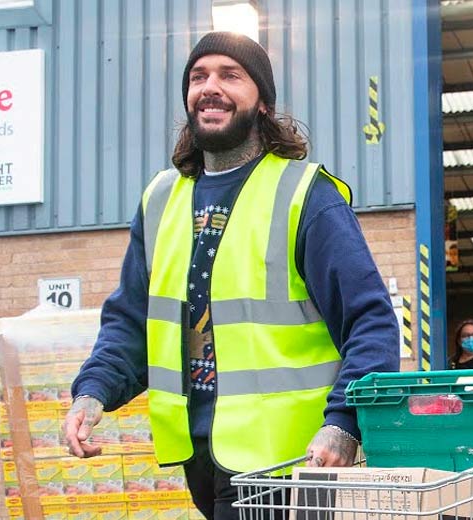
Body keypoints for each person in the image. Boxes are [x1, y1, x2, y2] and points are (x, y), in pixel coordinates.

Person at [61, 32, 400, 520]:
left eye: (230, 75)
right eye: (198, 77)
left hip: (290, 463)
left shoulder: (306, 195)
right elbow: (132, 321)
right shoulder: (161, 199)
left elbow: (370, 321)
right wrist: (92, 392)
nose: (210, 87)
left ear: (262, 102)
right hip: (201, 453)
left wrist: (344, 421)